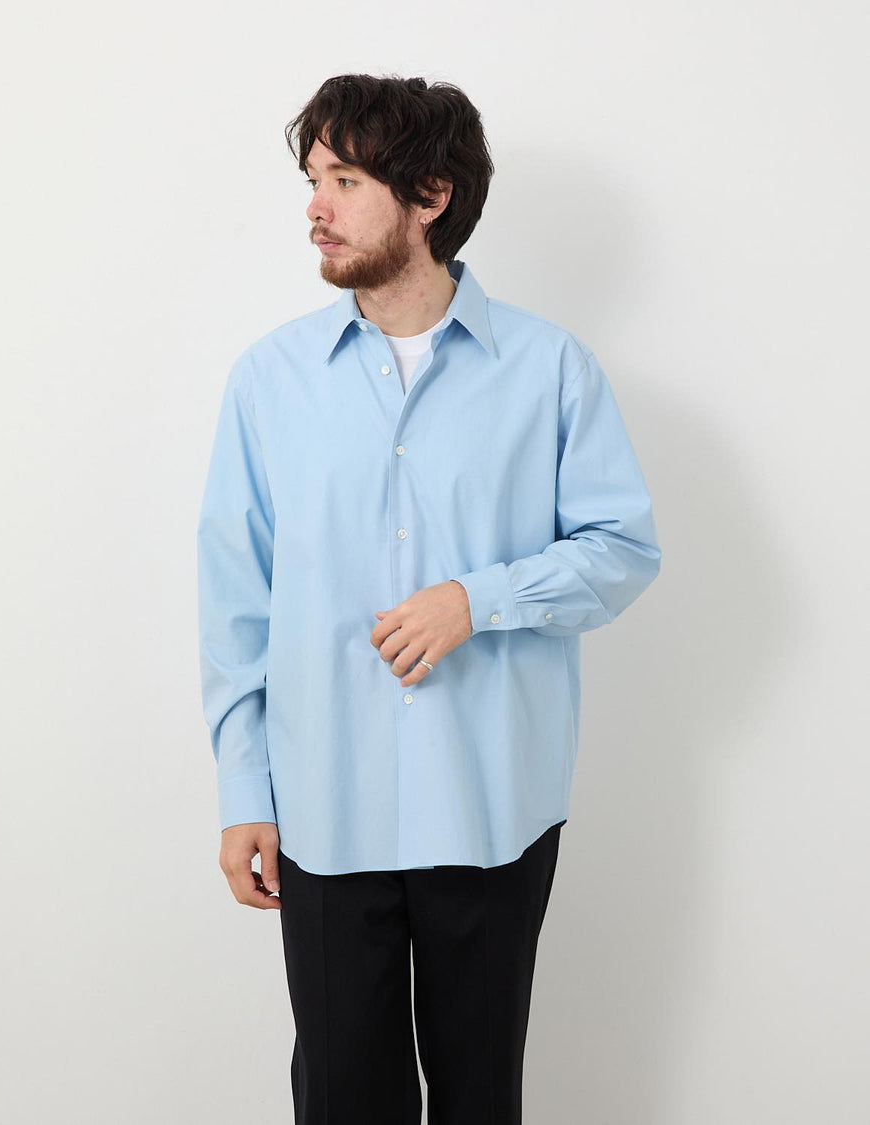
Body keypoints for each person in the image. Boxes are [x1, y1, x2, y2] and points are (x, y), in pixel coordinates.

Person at [196, 72, 661, 1124]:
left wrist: (477, 599)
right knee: (342, 1101)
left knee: (480, 1098)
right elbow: (235, 603)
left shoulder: (551, 371)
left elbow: (623, 549)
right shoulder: (269, 381)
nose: (315, 206)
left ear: (431, 195)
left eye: (346, 180)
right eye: (313, 179)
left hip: (491, 805)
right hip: (324, 806)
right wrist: (243, 790)